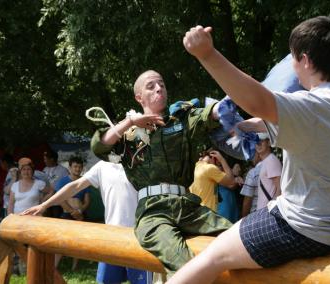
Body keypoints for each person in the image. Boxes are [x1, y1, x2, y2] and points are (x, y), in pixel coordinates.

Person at [169, 16, 330, 283]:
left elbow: (258, 101)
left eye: (293, 58)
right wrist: (240, 126)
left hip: (311, 228)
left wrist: (207, 54)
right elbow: (277, 121)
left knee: (213, 257)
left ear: (305, 60)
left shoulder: (313, 104)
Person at [90, 70, 232, 277]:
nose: (159, 88)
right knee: (183, 262)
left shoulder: (181, 119)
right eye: (151, 86)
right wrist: (130, 122)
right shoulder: (127, 135)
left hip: (188, 207)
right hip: (153, 212)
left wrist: (234, 99)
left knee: (240, 239)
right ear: (139, 97)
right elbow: (99, 146)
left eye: (162, 85)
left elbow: (212, 113)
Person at [22, 160, 152, 284]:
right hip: (112, 238)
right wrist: (44, 205)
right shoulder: (102, 166)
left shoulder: (145, 162)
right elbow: (75, 186)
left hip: (140, 238)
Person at [54, 156, 91, 270]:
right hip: (67, 213)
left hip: (80, 214)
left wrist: (79, 211)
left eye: (80, 167)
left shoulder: (84, 182)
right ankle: (54, 267)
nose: (77, 169)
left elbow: (87, 201)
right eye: (75, 166)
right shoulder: (62, 181)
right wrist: (72, 211)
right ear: (70, 167)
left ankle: (74, 267)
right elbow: (60, 199)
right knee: (61, 240)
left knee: (78, 240)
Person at [255, 132, 282, 210]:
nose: (258, 144)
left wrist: (273, 209)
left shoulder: (271, 160)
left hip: (268, 211)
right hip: (263, 210)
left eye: (261, 141)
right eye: (256, 142)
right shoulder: (265, 161)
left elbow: (280, 188)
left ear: (269, 143)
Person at [240, 152, 262, 217]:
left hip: (255, 215)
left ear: (258, 154)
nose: (251, 158)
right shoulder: (278, 168)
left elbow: (247, 201)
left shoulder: (253, 172)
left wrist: (243, 219)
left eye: (253, 154)